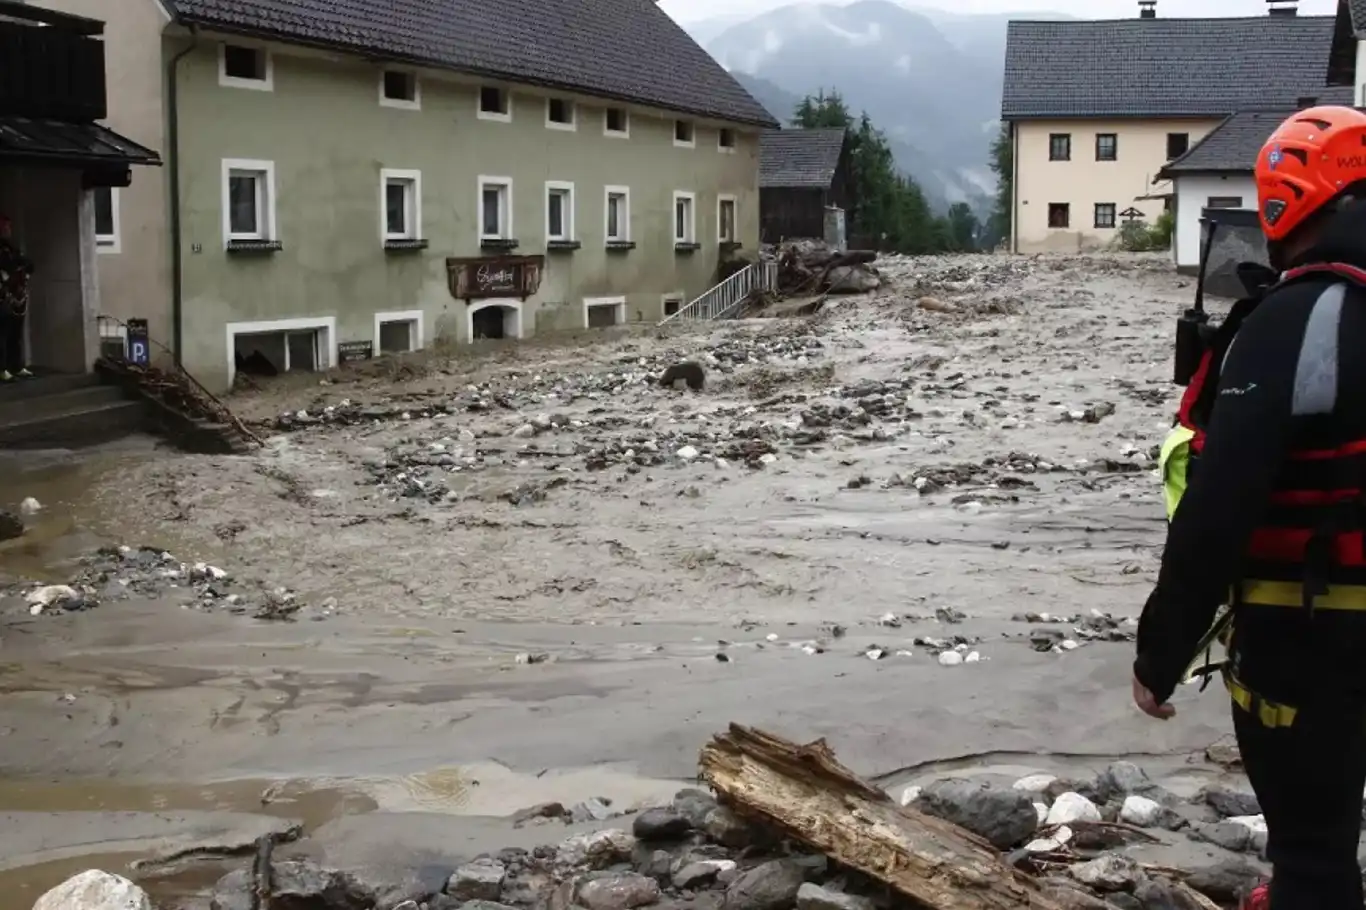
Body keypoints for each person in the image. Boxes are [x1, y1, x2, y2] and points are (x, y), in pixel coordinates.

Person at [1134, 104, 1366, 910]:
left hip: (1314, 633)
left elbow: (1219, 507)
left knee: (1313, 853)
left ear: (1282, 205)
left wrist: (1159, 653)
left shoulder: (1290, 322)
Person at [0, 214, 33, 381]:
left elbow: (27, 263)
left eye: (9, 227)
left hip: (15, 297)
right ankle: (2, 368)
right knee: (2, 333)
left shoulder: (11, 248)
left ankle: (16, 366)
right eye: (5, 227)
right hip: (3, 296)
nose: (8, 230)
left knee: (15, 333)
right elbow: (8, 265)